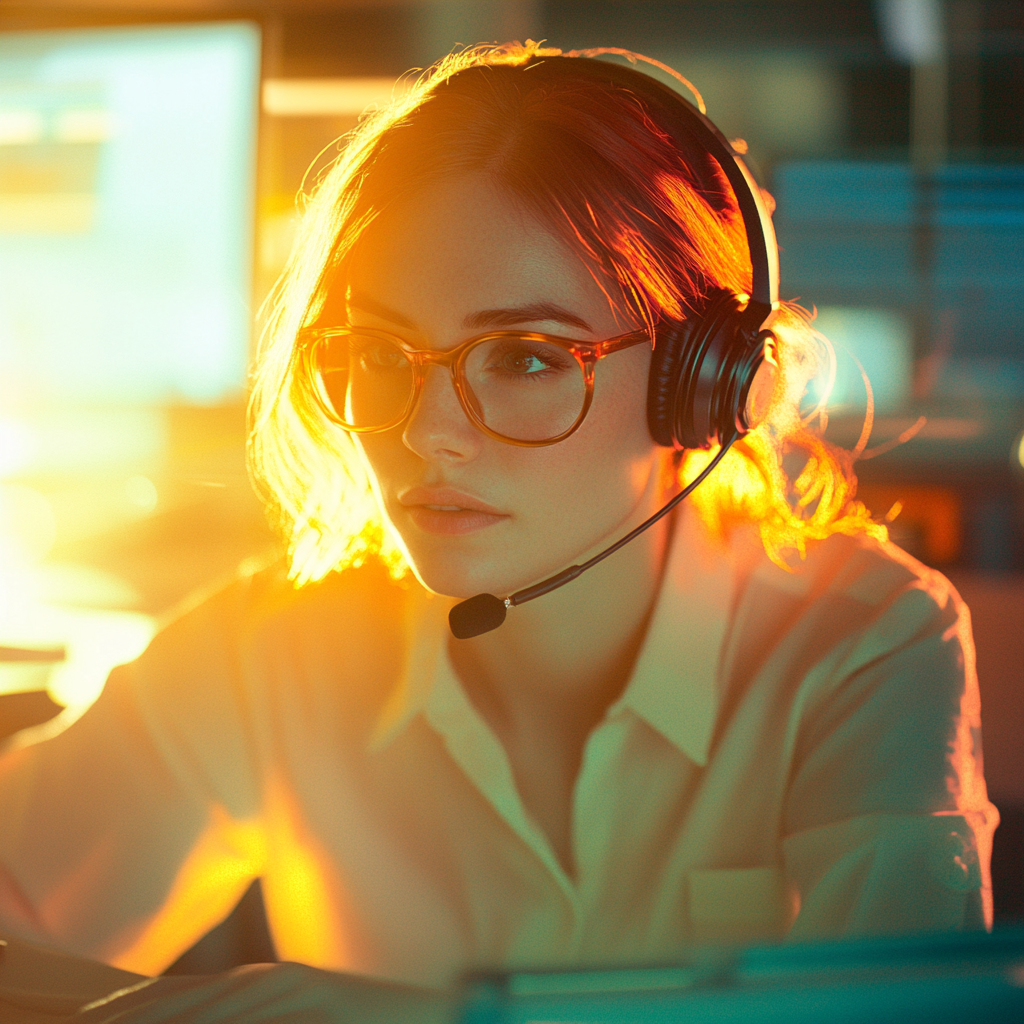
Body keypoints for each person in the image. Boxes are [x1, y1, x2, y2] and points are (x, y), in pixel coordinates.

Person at [0, 42, 998, 1023]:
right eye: (381, 351)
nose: (425, 431)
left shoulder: (868, 646)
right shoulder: (272, 645)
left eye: (524, 357)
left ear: (699, 385)